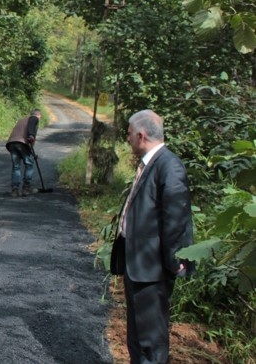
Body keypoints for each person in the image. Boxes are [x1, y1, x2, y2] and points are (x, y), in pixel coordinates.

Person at [110, 109, 194, 364]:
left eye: (129, 134)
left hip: (153, 268)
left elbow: (175, 219)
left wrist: (173, 261)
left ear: (141, 135)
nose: (127, 139)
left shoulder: (169, 166)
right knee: (137, 335)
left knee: (151, 340)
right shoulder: (151, 163)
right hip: (138, 264)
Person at [5, 109, 41, 197]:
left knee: (16, 166)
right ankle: (26, 188)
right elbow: (30, 130)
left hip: (11, 143)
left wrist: (32, 153)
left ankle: (15, 190)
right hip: (21, 143)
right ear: (39, 115)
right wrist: (31, 135)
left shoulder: (21, 120)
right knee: (29, 164)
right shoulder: (34, 118)